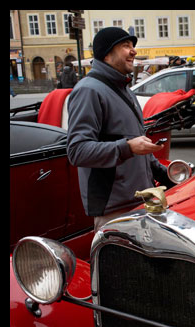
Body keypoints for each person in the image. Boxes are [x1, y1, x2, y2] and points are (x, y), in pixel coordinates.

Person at [67, 27, 174, 231]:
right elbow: (77, 151)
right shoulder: (88, 90)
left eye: (133, 46)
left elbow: (135, 143)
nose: (133, 51)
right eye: (126, 46)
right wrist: (128, 147)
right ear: (107, 54)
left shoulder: (124, 90)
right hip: (114, 209)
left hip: (141, 200)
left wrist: (168, 174)